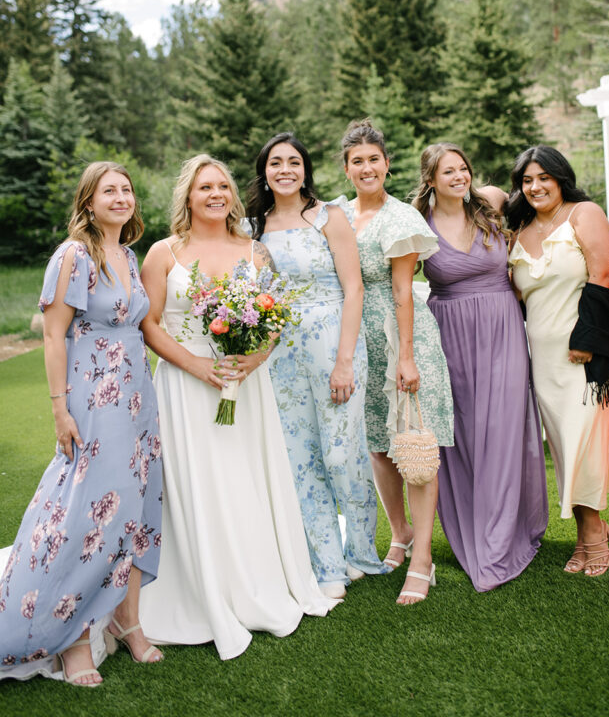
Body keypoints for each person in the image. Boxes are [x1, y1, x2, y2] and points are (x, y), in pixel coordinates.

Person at [138, 154, 334, 661]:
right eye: (205, 187)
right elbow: (151, 324)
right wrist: (198, 368)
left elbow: (272, 319)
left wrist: (254, 358)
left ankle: (256, 582)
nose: (216, 194)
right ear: (188, 196)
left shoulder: (255, 252)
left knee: (246, 478)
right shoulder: (164, 253)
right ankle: (199, 587)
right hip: (185, 385)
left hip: (246, 385)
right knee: (197, 482)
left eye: (222, 186)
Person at [0, 162, 163, 685]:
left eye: (126, 189)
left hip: (138, 397)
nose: (120, 197)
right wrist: (59, 409)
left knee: (134, 508)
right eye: (108, 191)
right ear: (88, 203)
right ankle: (71, 640)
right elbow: (53, 337)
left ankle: (127, 620)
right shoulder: (73, 255)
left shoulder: (130, 255)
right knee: (88, 514)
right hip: (94, 400)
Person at [248, 133, 387, 600]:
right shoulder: (253, 226)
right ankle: (326, 563)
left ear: (305, 169)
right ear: (264, 172)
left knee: (341, 453)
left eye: (293, 162)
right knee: (299, 456)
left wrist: (345, 360)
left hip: (333, 342)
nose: (284, 170)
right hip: (280, 350)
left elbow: (355, 290)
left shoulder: (330, 216)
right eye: (275, 163)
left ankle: (361, 552)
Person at [507, 146, 609, 576]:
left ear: (560, 178)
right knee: (566, 447)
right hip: (542, 360)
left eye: (543, 178)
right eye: (527, 180)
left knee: (582, 441)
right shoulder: (518, 228)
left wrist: (586, 338)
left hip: (584, 354)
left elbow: (602, 274)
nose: (535, 187)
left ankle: (588, 535)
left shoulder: (583, 213)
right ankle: (594, 526)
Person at [413, 143, 548, 592]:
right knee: (467, 433)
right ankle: (472, 529)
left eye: (463, 168)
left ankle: (501, 539)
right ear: (430, 179)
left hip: (502, 326)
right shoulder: (417, 224)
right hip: (449, 334)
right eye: (447, 171)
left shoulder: (490, 202)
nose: (459, 176)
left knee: (504, 428)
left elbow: (545, 203)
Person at [341, 120, 454, 604]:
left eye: (374, 159)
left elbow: (404, 291)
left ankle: (424, 558)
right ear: (346, 169)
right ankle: (400, 533)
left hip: (401, 336)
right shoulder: (337, 216)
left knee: (415, 444)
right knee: (378, 445)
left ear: (387, 163)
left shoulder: (402, 217)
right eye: (357, 161)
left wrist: (405, 357)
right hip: (357, 341)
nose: (367, 168)